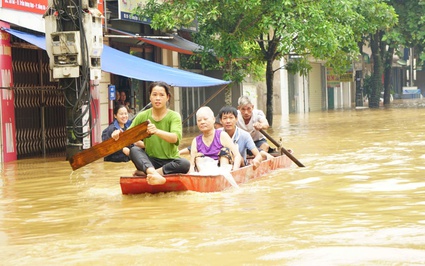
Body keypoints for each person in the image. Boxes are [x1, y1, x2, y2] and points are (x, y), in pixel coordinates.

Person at [114, 81, 190, 185]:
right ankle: (152, 172)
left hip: (170, 161)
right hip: (150, 162)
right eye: (154, 94)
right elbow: (128, 136)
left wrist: (157, 131)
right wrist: (117, 134)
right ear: (150, 97)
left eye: (161, 95)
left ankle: (151, 174)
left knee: (185, 164)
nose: (157, 98)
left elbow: (175, 138)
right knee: (134, 150)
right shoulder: (142, 116)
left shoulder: (174, 116)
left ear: (167, 97)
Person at [189, 106, 242, 173]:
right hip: (204, 172)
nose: (202, 122)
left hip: (223, 170)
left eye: (205, 119)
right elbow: (192, 165)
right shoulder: (195, 141)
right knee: (197, 157)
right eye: (199, 120)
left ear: (213, 119)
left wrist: (235, 171)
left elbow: (237, 155)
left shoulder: (222, 135)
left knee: (225, 151)